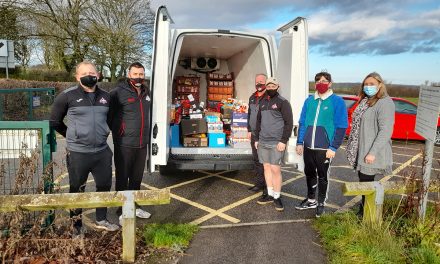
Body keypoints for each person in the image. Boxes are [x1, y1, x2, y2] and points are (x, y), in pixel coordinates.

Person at [50, 61, 119, 234]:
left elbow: (111, 119)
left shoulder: (106, 96)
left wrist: (103, 133)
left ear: (98, 74)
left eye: (92, 72)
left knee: (104, 186)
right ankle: (76, 225)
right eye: (84, 73)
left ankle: (101, 219)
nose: (89, 75)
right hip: (78, 153)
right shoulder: (67, 96)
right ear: (77, 77)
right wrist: (72, 136)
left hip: (102, 151)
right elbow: (55, 122)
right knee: (77, 189)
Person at [295, 71, 348, 218]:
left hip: (324, 148)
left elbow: (342, 126)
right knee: (309, 173)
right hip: (308, 146)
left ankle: (321, 203)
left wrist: (333, 147)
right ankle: (311, 200)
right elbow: (302, 122)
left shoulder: (337, 101)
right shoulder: (309, 100)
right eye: (318, 81)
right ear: (315, 83)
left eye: (325, 81)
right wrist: (300, 142)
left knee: (322, 176)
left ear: (330, 83)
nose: (321, 83)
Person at [108, 62, 152, 224]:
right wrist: (118, 133)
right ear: (129, 75)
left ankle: (135, 205)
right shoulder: (117, 93)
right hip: (124, 143)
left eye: (141, 74)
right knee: (122, 177)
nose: (139, 77)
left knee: (136, 178)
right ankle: (122, 209)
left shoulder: (147, 92)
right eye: (136, 74)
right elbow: (109, 116)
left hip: (142, 143)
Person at [346, 72, 394, 217]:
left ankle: (366, 216)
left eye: (371, 84)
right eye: (366, 84)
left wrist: (372, 152)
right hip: (362, 148)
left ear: (380, 85)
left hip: (371, 151)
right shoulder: (366, 100)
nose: (368, 87)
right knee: (364, 181)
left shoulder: (385, 102)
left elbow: (386, 131)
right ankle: (364, 211)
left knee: (367, 183)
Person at [255, 77, 293, 211]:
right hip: (263, 141)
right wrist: (256, 139)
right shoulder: (262, 102)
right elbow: (258, 121)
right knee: (266, 168)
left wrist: (284, 140)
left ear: (278, 86)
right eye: (268, 86)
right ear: (266, 87)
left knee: (275, 169)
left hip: (276, 142)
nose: (271, 88)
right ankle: (270, 194)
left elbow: (289, 123)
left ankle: (277, 196)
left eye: (273, 86)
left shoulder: (283, 102)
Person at [247, 73, 267, 192]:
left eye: (261, 81)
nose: (258, 83)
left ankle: (267, 186)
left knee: (265, 161)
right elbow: (249, 114)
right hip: (254, 134)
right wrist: (249, 129)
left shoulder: (269, 97)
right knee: (256, 159)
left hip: (264, 134)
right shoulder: (252, 97)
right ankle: (259, 184)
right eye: (257, 81)